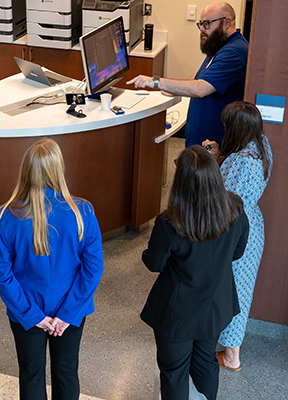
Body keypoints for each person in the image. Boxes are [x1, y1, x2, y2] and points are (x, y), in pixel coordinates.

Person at [0, 138, 104, 400]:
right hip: (71, 310)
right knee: (66, 371)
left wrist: (32, 316)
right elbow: (93, 268)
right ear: (59, 170)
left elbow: (1, 273)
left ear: (25, 171)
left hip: (26, 311)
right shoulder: (82, 211)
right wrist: (67, 314)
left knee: (31, 373)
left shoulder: (4, 216)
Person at [141, 145, 249, 400]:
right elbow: (237, 252)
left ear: (182, 184)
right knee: (206, 362)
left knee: (174, 371)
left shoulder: (170, 222)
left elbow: (154, 263)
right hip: (215, 306)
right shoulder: (235, 209)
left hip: (178, 312)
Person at [201, 101, 273, 372]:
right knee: (241, 290)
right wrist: (220, 155)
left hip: (235, 232)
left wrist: (208, 163)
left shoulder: (243, 163)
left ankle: (232, 357)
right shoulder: (260, 145)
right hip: (252, 227)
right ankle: (230, 348)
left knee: (232, 292)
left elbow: (225, 201)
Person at [127, 1, 248, 148]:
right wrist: (173, 88)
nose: (202, 29)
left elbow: (201, 89)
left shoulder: (233, 53)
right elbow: (201, 74)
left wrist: (155, 82)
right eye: (200, 24)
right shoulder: (221, 44)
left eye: (207, 24)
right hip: (201, 141)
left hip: (213, 146)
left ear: (226, 22)